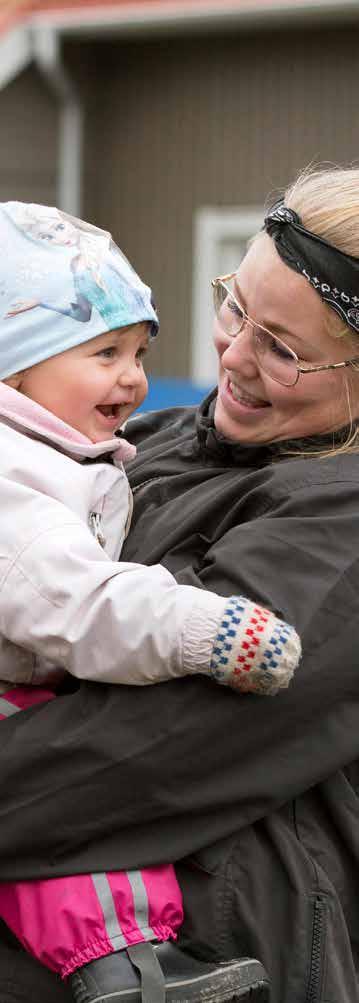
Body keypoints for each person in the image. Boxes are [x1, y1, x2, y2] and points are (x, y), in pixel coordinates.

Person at [0, 164, 358, 1003]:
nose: (229, 354)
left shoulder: (337, 529)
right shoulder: (140, 444)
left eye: (282, 349)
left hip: (213, 958)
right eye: (235, 306)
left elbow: (144, 752)